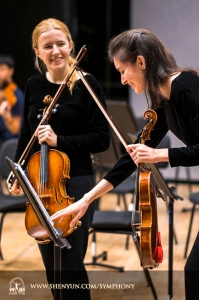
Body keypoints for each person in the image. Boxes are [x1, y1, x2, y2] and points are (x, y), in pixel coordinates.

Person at [51, 28, 199, 300]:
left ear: (141, 62)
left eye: (123, 71)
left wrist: (159, 156)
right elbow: (129, 161)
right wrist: (86, 199)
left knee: (194, 273)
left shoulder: (185, 87)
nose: (121, 80)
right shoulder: (164, 99)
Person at [10, 18, 110, 300]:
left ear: (70, 46)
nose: (55, 50)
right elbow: (27, 136)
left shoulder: (86, 85)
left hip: (75, 183)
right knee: (51, 266)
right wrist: (19, 172)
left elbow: (102, 139)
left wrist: (59, 141)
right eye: (47, 46)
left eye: (60, 44)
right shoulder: (33, 84)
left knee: (70, 264)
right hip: (40, 184)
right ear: (38, 51)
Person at [0, 54, 24, 150]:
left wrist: (6, 116)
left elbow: (15, 130)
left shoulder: (17, 95)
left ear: (10, 71)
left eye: (2, 69)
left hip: (7, 143)